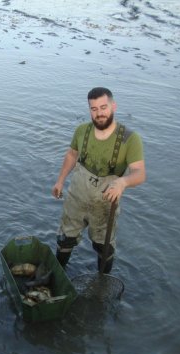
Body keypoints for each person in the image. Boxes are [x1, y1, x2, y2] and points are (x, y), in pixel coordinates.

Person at [52, 87, 146, 273]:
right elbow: (71, 155)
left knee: (104, 246)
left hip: (104, 204)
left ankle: (102, 283)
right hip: (76, 197)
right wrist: (60, 180)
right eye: (94, 109)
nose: (99, 113)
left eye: (103, 107)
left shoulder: (130, 139)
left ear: (113, 106)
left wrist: (122, 182)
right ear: (89, 110)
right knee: (65, 239)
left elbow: (140, 173)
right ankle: (57, 274)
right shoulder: (82, 131)